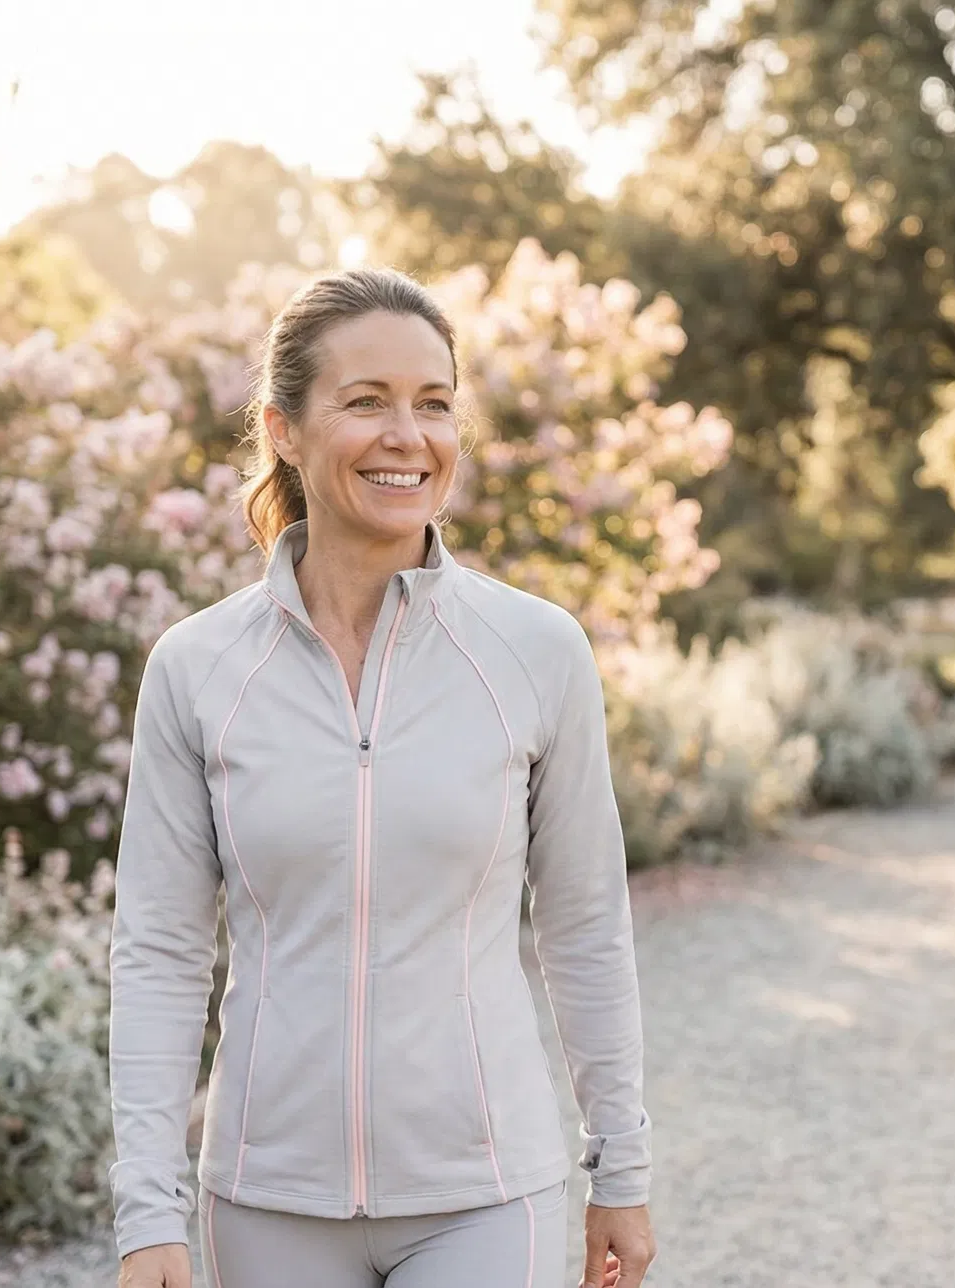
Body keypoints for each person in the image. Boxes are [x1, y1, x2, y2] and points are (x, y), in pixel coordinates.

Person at [107, 267, 657, 1288]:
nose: (409, 436)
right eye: (367, 403)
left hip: (487, 1191)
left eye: (434, 404)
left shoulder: (535, 651)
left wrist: (620, 1164)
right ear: (283, 428)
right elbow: (161, 952)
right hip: (266, 1198)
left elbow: (585, 922)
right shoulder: (197, 668)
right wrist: (148, 1212)